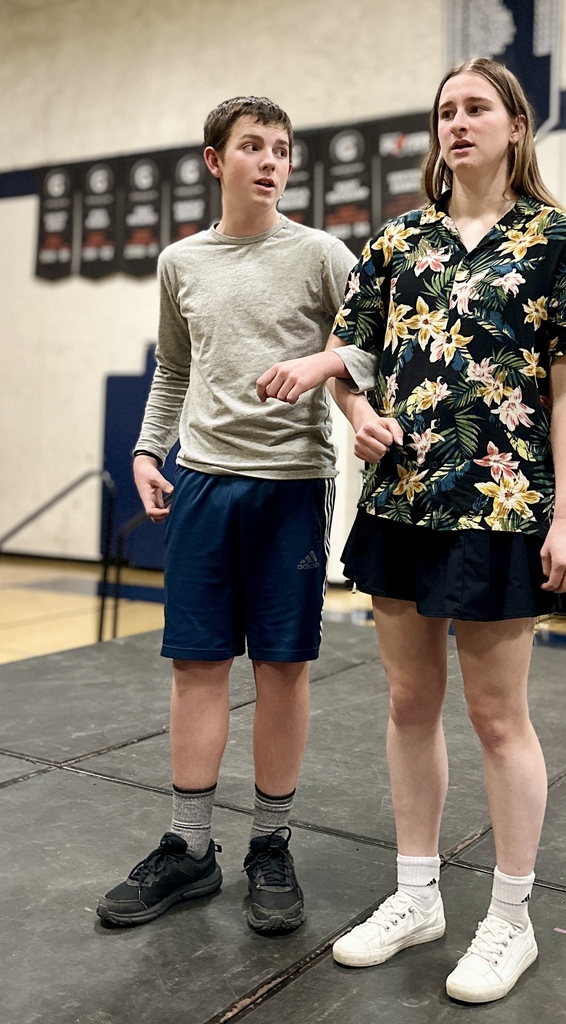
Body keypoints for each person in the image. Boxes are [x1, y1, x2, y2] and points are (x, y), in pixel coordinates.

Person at [257, 58, 566, 1001]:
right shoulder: (396, 240)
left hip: (504, 506)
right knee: (408, 706)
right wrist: (343, 400)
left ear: (515, 124)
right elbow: (357, 354)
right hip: (402, 503)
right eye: (445, 111)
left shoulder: (561, 242)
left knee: (500, 718)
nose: (457, 124)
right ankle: (417, 894)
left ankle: (510, 918)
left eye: (476, 109)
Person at [97, 96, 356, 933]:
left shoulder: (321, 254)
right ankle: (190, 847)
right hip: (204, 482)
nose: (271, 161)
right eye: (253, 147)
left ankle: (271, 847)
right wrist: (146, 451)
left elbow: (368, 346)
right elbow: (174, 371)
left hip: (292, 483)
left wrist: (327, 374)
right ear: (216, 161)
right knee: (198, 665)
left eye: (282, 148)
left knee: (282, 667)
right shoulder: (181, 262)